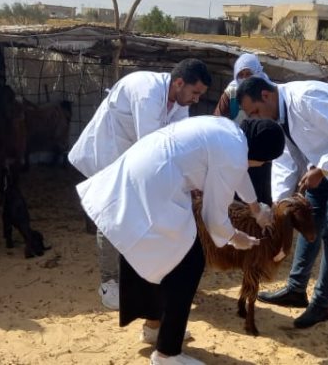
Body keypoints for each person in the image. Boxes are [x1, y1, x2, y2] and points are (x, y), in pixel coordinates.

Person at [76, 116, 285, 365]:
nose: (258, 165)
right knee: (188, 265)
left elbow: (238, 173)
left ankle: (154, 327)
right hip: (154, 189)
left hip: (141, 178)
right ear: (260, 154)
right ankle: (167, 353)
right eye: (262, 161)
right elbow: (214, 216)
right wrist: (234, 237)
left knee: (153, 255)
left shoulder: (229, 133)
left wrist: (255, 209)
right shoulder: (233, 153)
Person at [236, 76, 328, 328]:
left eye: (256, 111)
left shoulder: (306, 98)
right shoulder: (277, 117)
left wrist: (323, 169)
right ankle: (296, 289)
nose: (258, 118)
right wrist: (279, 206)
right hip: (318, 169)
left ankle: (321, 304)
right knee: (309, 224)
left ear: (266, 95)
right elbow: (284, 161)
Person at [69, 59, 217, 310]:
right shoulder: (146, 92)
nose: (196, 100)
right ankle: (109, 283)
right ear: (179, 83)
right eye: (195, 93)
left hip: (132, 156)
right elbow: (152, 147)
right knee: (112, 215)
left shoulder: (180, 103)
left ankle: (144, 277)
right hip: (108, 152)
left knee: (142, 213)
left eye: (200, 95)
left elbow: (177, 142)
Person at [214, 53, 275, 206]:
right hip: (235, 152)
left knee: (261, 199)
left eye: (249, 74)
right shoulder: (232, 94)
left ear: (258, 72)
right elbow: (217, 123)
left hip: (262, 157)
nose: (245, 78)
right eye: (241, 75)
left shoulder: (269, 92)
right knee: (234, 202)